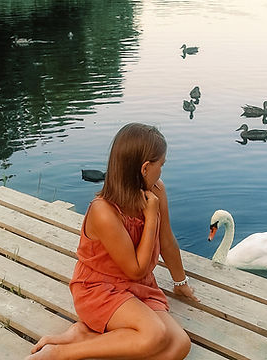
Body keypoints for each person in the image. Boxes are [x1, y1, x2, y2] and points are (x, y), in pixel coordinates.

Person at [28, 123, 199, 360]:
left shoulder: (157, 191)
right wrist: (151, 217)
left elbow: (167, 239)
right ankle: (59, 353)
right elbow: (135, 269)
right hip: (100, 289)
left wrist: (180, 282)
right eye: (162, 165)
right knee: (154, 336)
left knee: (179, 344)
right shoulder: (104, 211)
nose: (162, 171)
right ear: (145, 168)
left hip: (140, 289)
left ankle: (86, 336)